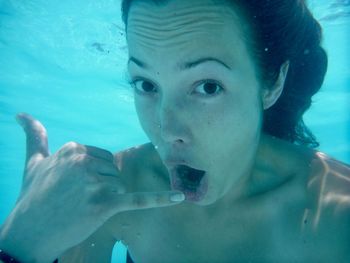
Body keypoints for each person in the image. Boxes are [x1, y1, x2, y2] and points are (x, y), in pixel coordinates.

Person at [1, 0, 350, 262]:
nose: (167, 130)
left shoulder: (338, 213)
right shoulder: (110, 195)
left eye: (208, 87)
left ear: (271, 83)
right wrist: (20, 241)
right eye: (146, 84)